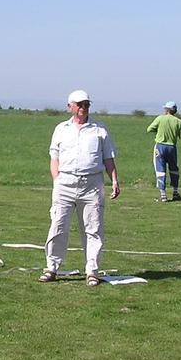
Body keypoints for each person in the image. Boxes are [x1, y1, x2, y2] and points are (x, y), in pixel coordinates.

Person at [39, 89, 121, 287]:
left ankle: (92, 271)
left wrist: (114, 180)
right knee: (58, 225)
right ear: (70, 106)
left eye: (86, 104)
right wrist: (57, 180)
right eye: (80, 104)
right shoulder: (61, 129)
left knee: (93, 228)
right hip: (65, 184)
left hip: (92, 185)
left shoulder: (99, 130)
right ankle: (51, 267)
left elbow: (108, 158)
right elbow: (54, 158)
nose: (84, 108)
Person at [146, 101, 181, 202]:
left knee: (160, 169)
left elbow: (149, 129)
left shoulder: (160, 118)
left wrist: (159, 130)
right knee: (174, 169)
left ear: (167, 110)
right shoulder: (178, 121)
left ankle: (163, 194)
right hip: (172, 148)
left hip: (160, 147)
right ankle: (175, 192)